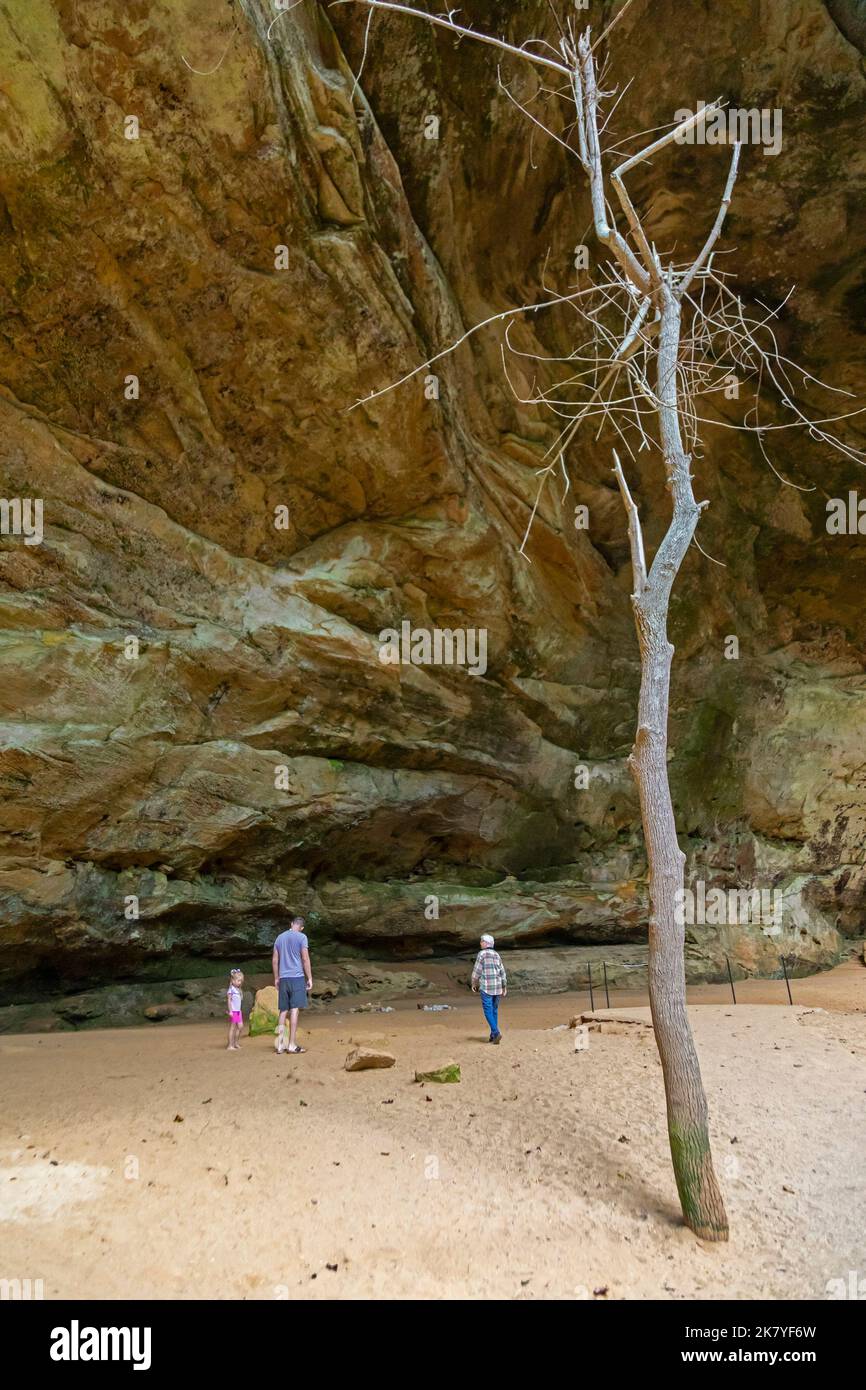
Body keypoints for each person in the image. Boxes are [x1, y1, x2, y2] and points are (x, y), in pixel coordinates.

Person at [272, 916, 312, 1055]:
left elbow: (275, 960)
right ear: (301, 928)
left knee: (283, 1010)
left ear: (291, 924)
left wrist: (277, 978)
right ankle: (292, 1045)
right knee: (294, 1009)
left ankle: (280, 1045)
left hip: (283, 977)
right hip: (296, 977)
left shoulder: (279, 938)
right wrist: (310, 978)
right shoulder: (302, 937)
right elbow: (305, 959)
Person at [471, 933, 507, 1043]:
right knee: (494, 1010)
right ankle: (492, 1035)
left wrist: (474, 983)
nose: (480, 943)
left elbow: (477, 971)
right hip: (497, 987)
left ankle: (496, 1032)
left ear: (486, 943)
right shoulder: (497, 955)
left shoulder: (482, 954)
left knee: (488, 1011)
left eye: (482, 941)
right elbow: (502, 972)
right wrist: (504, 986)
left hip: (486, 987)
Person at [226, 968, 244, 1051]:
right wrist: (230, 1011)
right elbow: (229, 1001)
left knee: (240, 1027)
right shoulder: (231, 990)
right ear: (233, 980)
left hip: (238, 1011)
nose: (239, 982)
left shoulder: (238, 990)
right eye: (238, 981)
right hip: (234, 1012)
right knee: (233, 1027)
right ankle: (230, 1045)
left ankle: (235, 1043)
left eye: (240, 981)